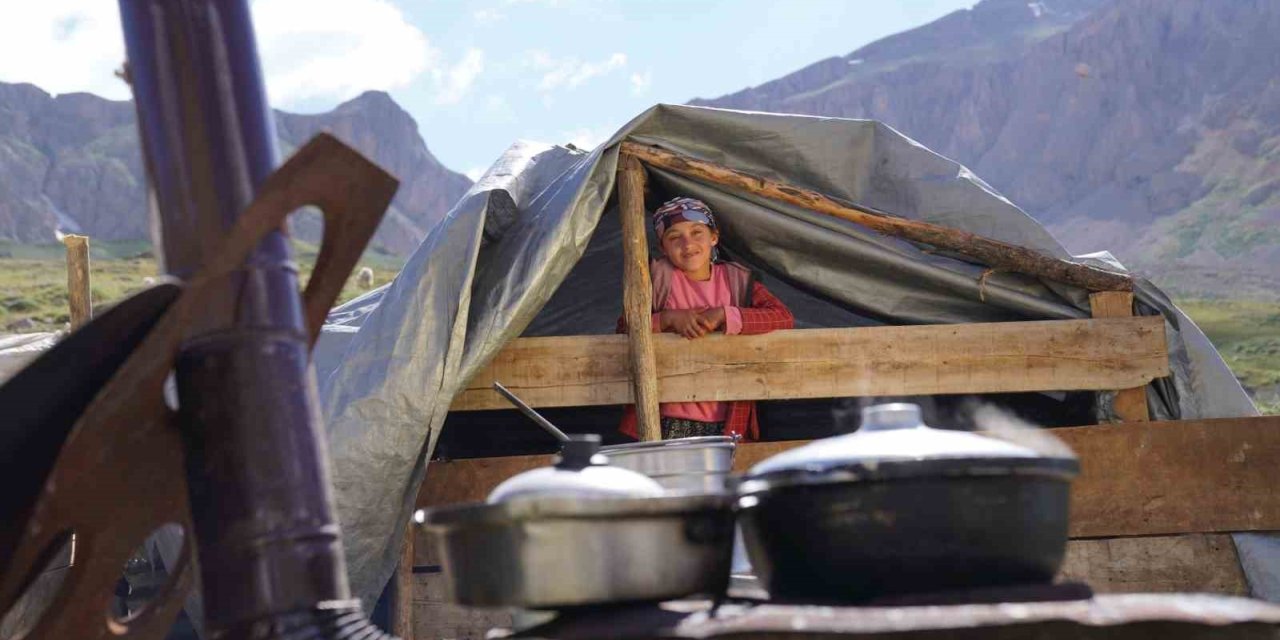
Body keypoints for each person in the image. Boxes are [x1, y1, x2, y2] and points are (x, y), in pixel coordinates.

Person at [618, 197, 794, 441]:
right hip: (664, 417)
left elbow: (782, 317)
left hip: (729, 417)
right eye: (674, 237)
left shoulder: (737, 280)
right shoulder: (654, 280)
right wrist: (668, 320)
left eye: (697, 232)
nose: (687, 243)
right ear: (663, 247)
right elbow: (625, 327)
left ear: (714, 237)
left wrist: (725, 314)